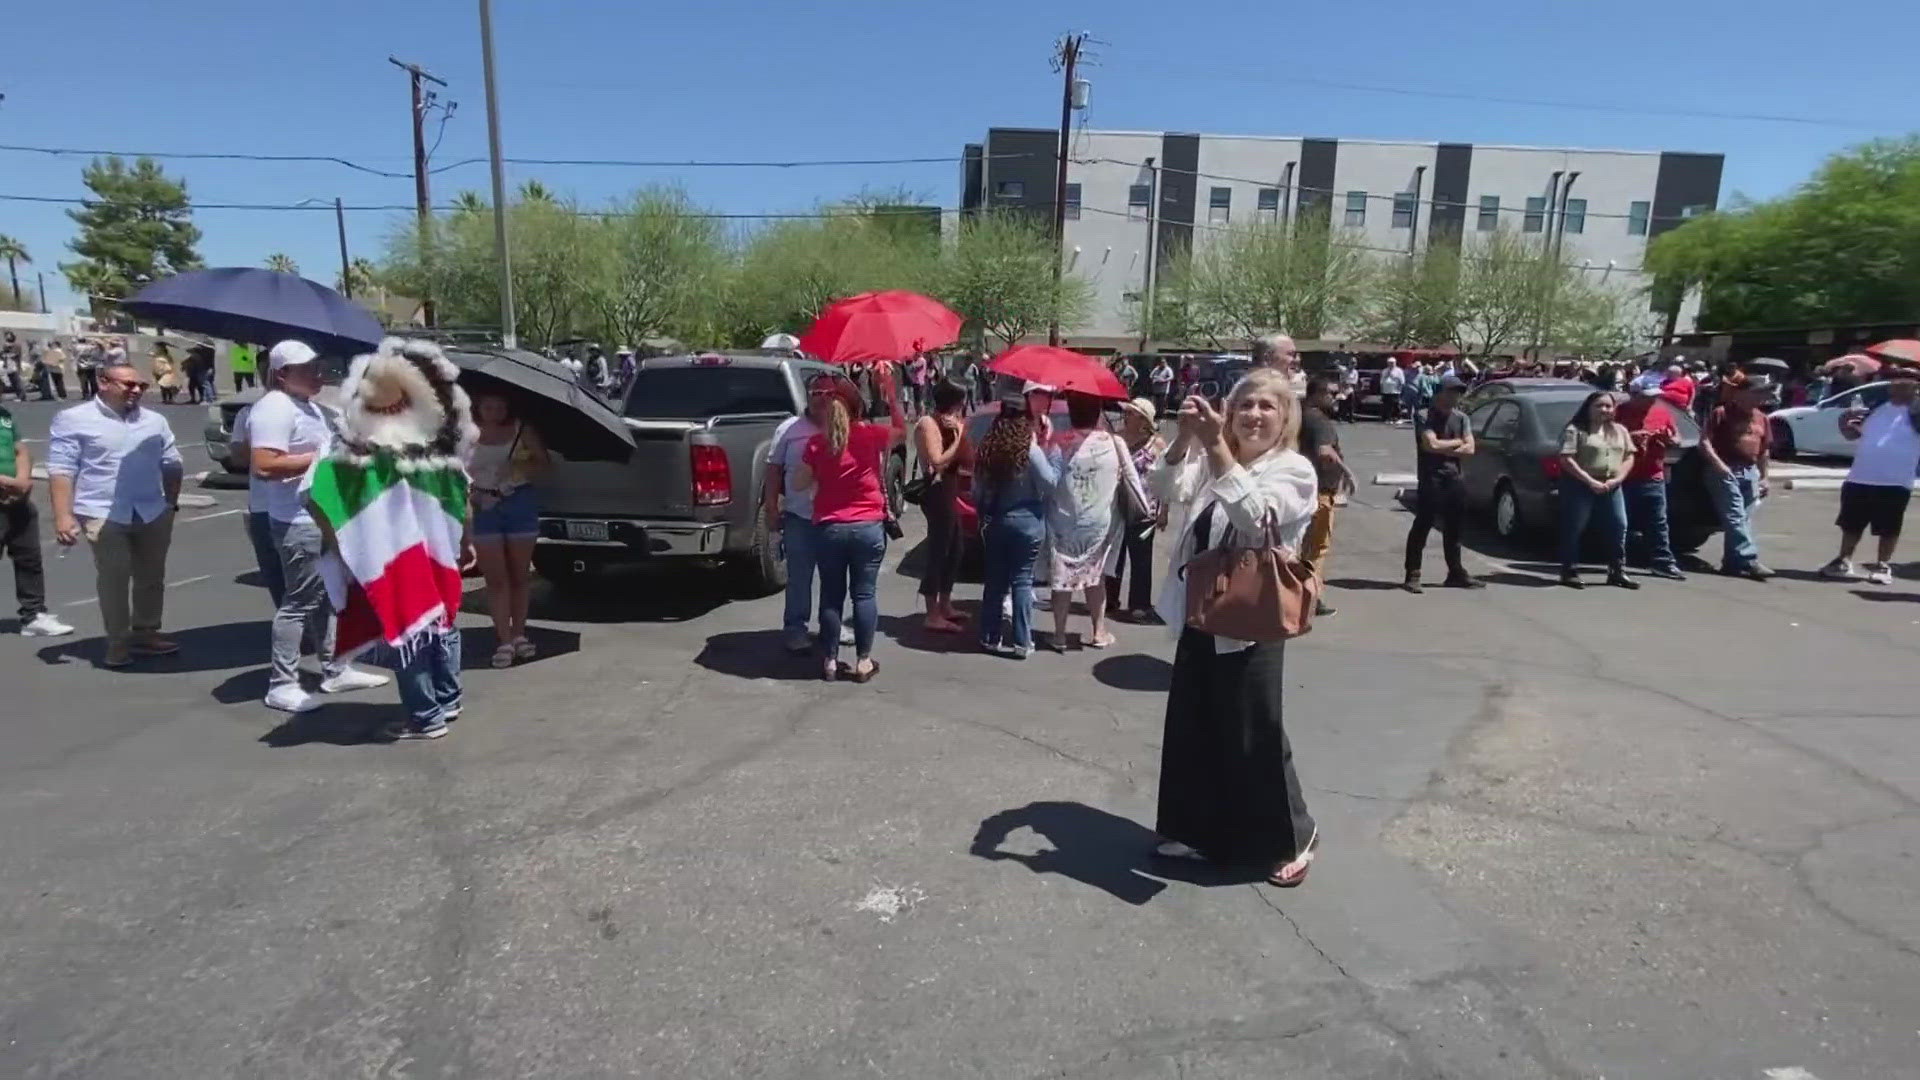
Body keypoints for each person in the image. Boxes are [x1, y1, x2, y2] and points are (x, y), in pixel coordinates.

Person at [1148, 368, 1320, 887]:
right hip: (1202, 610)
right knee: (1196, 725)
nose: (1254, 416)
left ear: (1285, 417)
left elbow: (1255, 518)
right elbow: (1166, 487)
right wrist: (1184, 436)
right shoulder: (1213, 456)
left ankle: (1294, 837)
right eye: (1245, 405)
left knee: (1254, 732)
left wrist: (1217, 449)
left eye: (1268, 406)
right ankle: (1204, 833)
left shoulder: (1293, 470)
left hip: (1251, 618)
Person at [305, 338, 476, 741]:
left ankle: (425, 716)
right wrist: (465, 541)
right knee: (442, 620)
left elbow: (317, 499)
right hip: (437, 552)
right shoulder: (436, 447)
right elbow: (464, 500)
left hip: (391, 558)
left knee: (407, 628)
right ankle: (447, 699)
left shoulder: (349, 454)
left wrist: (342, 548)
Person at [250, 341, 389, 713]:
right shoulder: (274, 408)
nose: (318, 374)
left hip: (325, 515)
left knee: (328, 594)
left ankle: (334, 668)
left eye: (319, 366)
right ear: (282, 373)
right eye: (308, 368)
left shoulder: (307, 407)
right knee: (298, 602)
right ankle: (282, 683)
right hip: (299, 520)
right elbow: (264, 465)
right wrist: (323, 458)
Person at [46, 359, 183, 667]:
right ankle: (118, 643)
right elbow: (61, 471)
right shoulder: (72, 419)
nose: (136, 390)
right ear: (103, 383)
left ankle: (146, 632)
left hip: (151, 510)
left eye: (141, 386)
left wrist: (170, 504)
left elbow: (172, 461)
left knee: (151, 577)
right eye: (129, 384)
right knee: (115, 579)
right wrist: (63, 516)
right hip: (101, 511)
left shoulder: (155, 421)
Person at [794, 365, 906, 683]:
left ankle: (829, 660)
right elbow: (902, 429)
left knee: (831, 595)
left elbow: (800, 483)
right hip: (868, 527)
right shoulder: (871, 435)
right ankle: (862, 661)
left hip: (829, 528)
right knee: (864, 595)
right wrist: (891, 394)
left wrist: (816, 471)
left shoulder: (816, 444)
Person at [1044, 390, 1149, 651]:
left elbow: (1047, 479)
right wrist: (1144, 510)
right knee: (1095, 576)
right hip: (1099, 521)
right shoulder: (1114, 443)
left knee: (1062, 578)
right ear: (1098, 412)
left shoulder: (1059, 441)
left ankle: (1058, 634)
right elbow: (1132, 479)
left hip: (1062, 521)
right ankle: (1098, 631)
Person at [469, 389, 552, 667]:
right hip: (482, 506)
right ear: (478, 406)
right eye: (488, 405)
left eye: (500, 406)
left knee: (520, 575)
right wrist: (473, 495)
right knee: (496, 579)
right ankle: (503, 639)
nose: (494, 411)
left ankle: (519, 634)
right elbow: (454, 471)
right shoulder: (465, 432)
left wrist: (515, 475)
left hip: (518, 503)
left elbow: (544, 464)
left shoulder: (521, 430)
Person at [1819, 363, 1920, 585]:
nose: (1901, 386)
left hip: (1895, 481)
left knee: (1889, 527)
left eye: (1909, 382)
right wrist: (1844, 422)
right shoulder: (1876, 406)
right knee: (1851, 524)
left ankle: (1883, 565)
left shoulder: (1916, 411)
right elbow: (1851, 435)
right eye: (1897, 381)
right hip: (1860, 476)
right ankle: (1843, 560)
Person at [974, 397, 1058, 659]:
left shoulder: (987, 449)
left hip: (997, 521)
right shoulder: (1029, 450)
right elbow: (1050, 482)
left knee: (995, 581)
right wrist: (1052, 452)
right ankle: (1023, 641)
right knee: (1022, 580)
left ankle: (990, 636)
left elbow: (977, 492)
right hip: (1027, 522)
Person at [765, 375, 835, 654]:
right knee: (799, 579)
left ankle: (831, 625)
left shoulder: (842, 427)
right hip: (799, 517)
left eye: (828, 393)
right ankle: (795, 628)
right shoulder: (789, 429)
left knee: (834, 578)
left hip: (834, 518)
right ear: (807, 395)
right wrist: (771, 507)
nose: (822, 398)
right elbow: (773, 469)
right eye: (816, 392)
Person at [1, 399, 73, 637]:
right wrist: (11, 483)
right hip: (7, 491)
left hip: (16, 501)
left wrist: (23, 481)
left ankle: (33, 615)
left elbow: (20, 450)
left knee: (28, 558)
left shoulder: (4, 415)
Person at [1402, 377, 1482, 592]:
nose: (1454, 396)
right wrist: (1458, 442)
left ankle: (1455, 572)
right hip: (1431, 477)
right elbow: (1430, 444)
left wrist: (1444, 446)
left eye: (1457, 392)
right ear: (1439, 393)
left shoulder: (1462, 418)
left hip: (1455, 477)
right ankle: (1413, 573)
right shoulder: (1424, 416)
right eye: (1450, 392)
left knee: (1454, 527)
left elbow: (1471, 448)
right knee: (1423, 524)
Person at [1555, 391, 1639, 589]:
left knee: (1619, 525)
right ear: (1588, 408)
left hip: (1611, 485)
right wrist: (1590, 481)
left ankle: (1617, 571)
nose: (1604, 410)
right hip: (1580, 484)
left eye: (1608, 406)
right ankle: (1569, 571)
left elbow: (1629, 456)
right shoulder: (1575, 430)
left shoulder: (1620, 430)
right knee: (1575, 527)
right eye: (1599, 405)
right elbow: (1566, 459)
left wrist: (1618, 479)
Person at [1700, 371, 1774, 580]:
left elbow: (1764, 450)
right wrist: (1719, 465)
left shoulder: (1762, 418)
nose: (1761, 398)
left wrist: (1764, 476)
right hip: (1724, 469)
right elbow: (1704, 442)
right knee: (1734, 515)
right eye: (1757, 393)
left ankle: (1732, 563)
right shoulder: (1721, 413)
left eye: (1764, 394)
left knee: (1745, 518)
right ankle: (1749, 559)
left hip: (1749, 471)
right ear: (1740, 393)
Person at [913, 378, 971, 633]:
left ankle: (945, 604)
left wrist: (961, 432)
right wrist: (958, 436)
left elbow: (967, 460)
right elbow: (937, 462)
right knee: (939, 549)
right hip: (936, 491)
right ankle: (931, 612)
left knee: (956, 548)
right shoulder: (928, 423)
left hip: (950, 489)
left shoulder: (954, 423)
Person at [1105, 397, 1167, 623]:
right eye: (1127, 413)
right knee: (1113, 553)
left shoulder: (1157, 444)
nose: (1126, 416)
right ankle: (1109, 599)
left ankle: (1139, 604)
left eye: (1131, 413)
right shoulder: (1116, 438)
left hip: (1145, 507)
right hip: (1116, 504)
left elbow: (1165, 479)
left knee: (1141, 558)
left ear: (1143, 419)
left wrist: (1164, 510)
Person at [1297, 375, 1355, 615]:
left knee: (1302, 546)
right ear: (1316, 395)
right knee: (1316, 548)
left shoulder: (1300, 415)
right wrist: (1348, 473)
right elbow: (1324, 451)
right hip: (1319, 491)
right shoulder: (1319, 420)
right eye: (1330, 393)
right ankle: (1311, 597)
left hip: (1304, 490)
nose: (1335, 397)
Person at [1616, 384, 1687, 581]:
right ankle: (1617, 563)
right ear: (1634, 396)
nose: (1651, 401)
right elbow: (1604, 439)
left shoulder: (1662, 412)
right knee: (1621, 522)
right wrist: (1630, 438)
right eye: (1647, 397)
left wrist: (1670, 439)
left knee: (1658, 521)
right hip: (1623, 475)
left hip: (1653, 474)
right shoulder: (1617, 412)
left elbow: (1677, 439)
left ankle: (1663, 562)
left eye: (1654, 397)